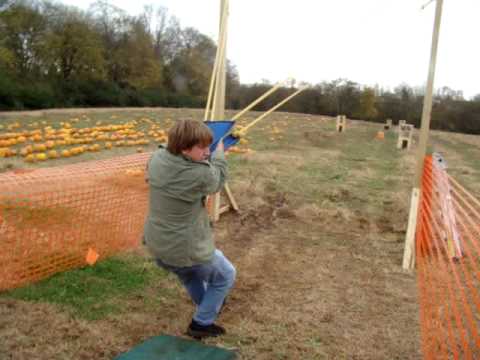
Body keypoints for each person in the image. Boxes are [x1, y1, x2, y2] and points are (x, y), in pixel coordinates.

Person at [143, 119, 236, 339]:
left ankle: (206, 305)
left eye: (209, 147)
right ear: (184, 148)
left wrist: (201, 143)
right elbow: (217, 180)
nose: (207, 152)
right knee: (225, 275)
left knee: (189, 276)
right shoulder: (200, 174)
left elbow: (171, 151)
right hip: (184, 247)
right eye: (202, 148)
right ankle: (201, 323)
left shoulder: (157, 157)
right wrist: (220, 154)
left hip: (158, 244)